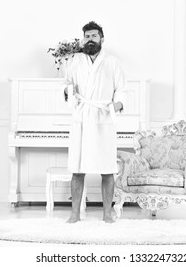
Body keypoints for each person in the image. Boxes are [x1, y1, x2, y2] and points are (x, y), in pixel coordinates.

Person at [63, 21, 126, 223]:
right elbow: (67, 84)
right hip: (82, 117)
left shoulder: (112, 62)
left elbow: (122, 88)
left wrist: (119, 103)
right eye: (87, 36)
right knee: (77, 169)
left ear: (102, 39)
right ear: (84, 39)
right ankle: (75, 214)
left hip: (103, 117)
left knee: (107, 169)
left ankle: (107, 213)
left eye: (94, 36)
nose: (90, 40)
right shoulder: (75, 61)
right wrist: (68, 91)